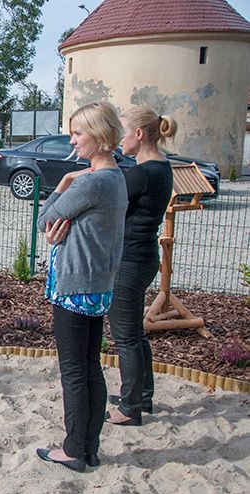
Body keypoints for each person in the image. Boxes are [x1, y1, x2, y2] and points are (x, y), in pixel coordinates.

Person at [35, 101, 128, 472]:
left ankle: (74, 450)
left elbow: (45, 219)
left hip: (76, 285)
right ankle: (89, 447)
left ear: (100, 135)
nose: (72, 140)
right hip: (97, 283)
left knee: (74, 371)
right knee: (91, 366)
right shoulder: (116, 177)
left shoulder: (91, 181)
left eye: (77, 132)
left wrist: (62, 184)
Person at [106, 107, 176, 426]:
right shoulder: (161, 166)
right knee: (135, 333)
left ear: (138, 134)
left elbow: (108, 198)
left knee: (125, 337)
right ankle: (142, 396)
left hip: (130, 260)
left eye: (122, 132)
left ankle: (130, 407)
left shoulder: (142, 172)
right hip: (144, 256)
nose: (119, 140)